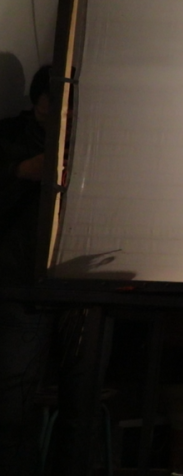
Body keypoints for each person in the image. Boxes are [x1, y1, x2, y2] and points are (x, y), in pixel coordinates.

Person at [0, 65, 52, 475]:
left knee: (82, 400)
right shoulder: (10, 136)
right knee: (13, 399)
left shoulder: (86, 138)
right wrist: (21, 170)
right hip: (20, 282)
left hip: (73, 283)